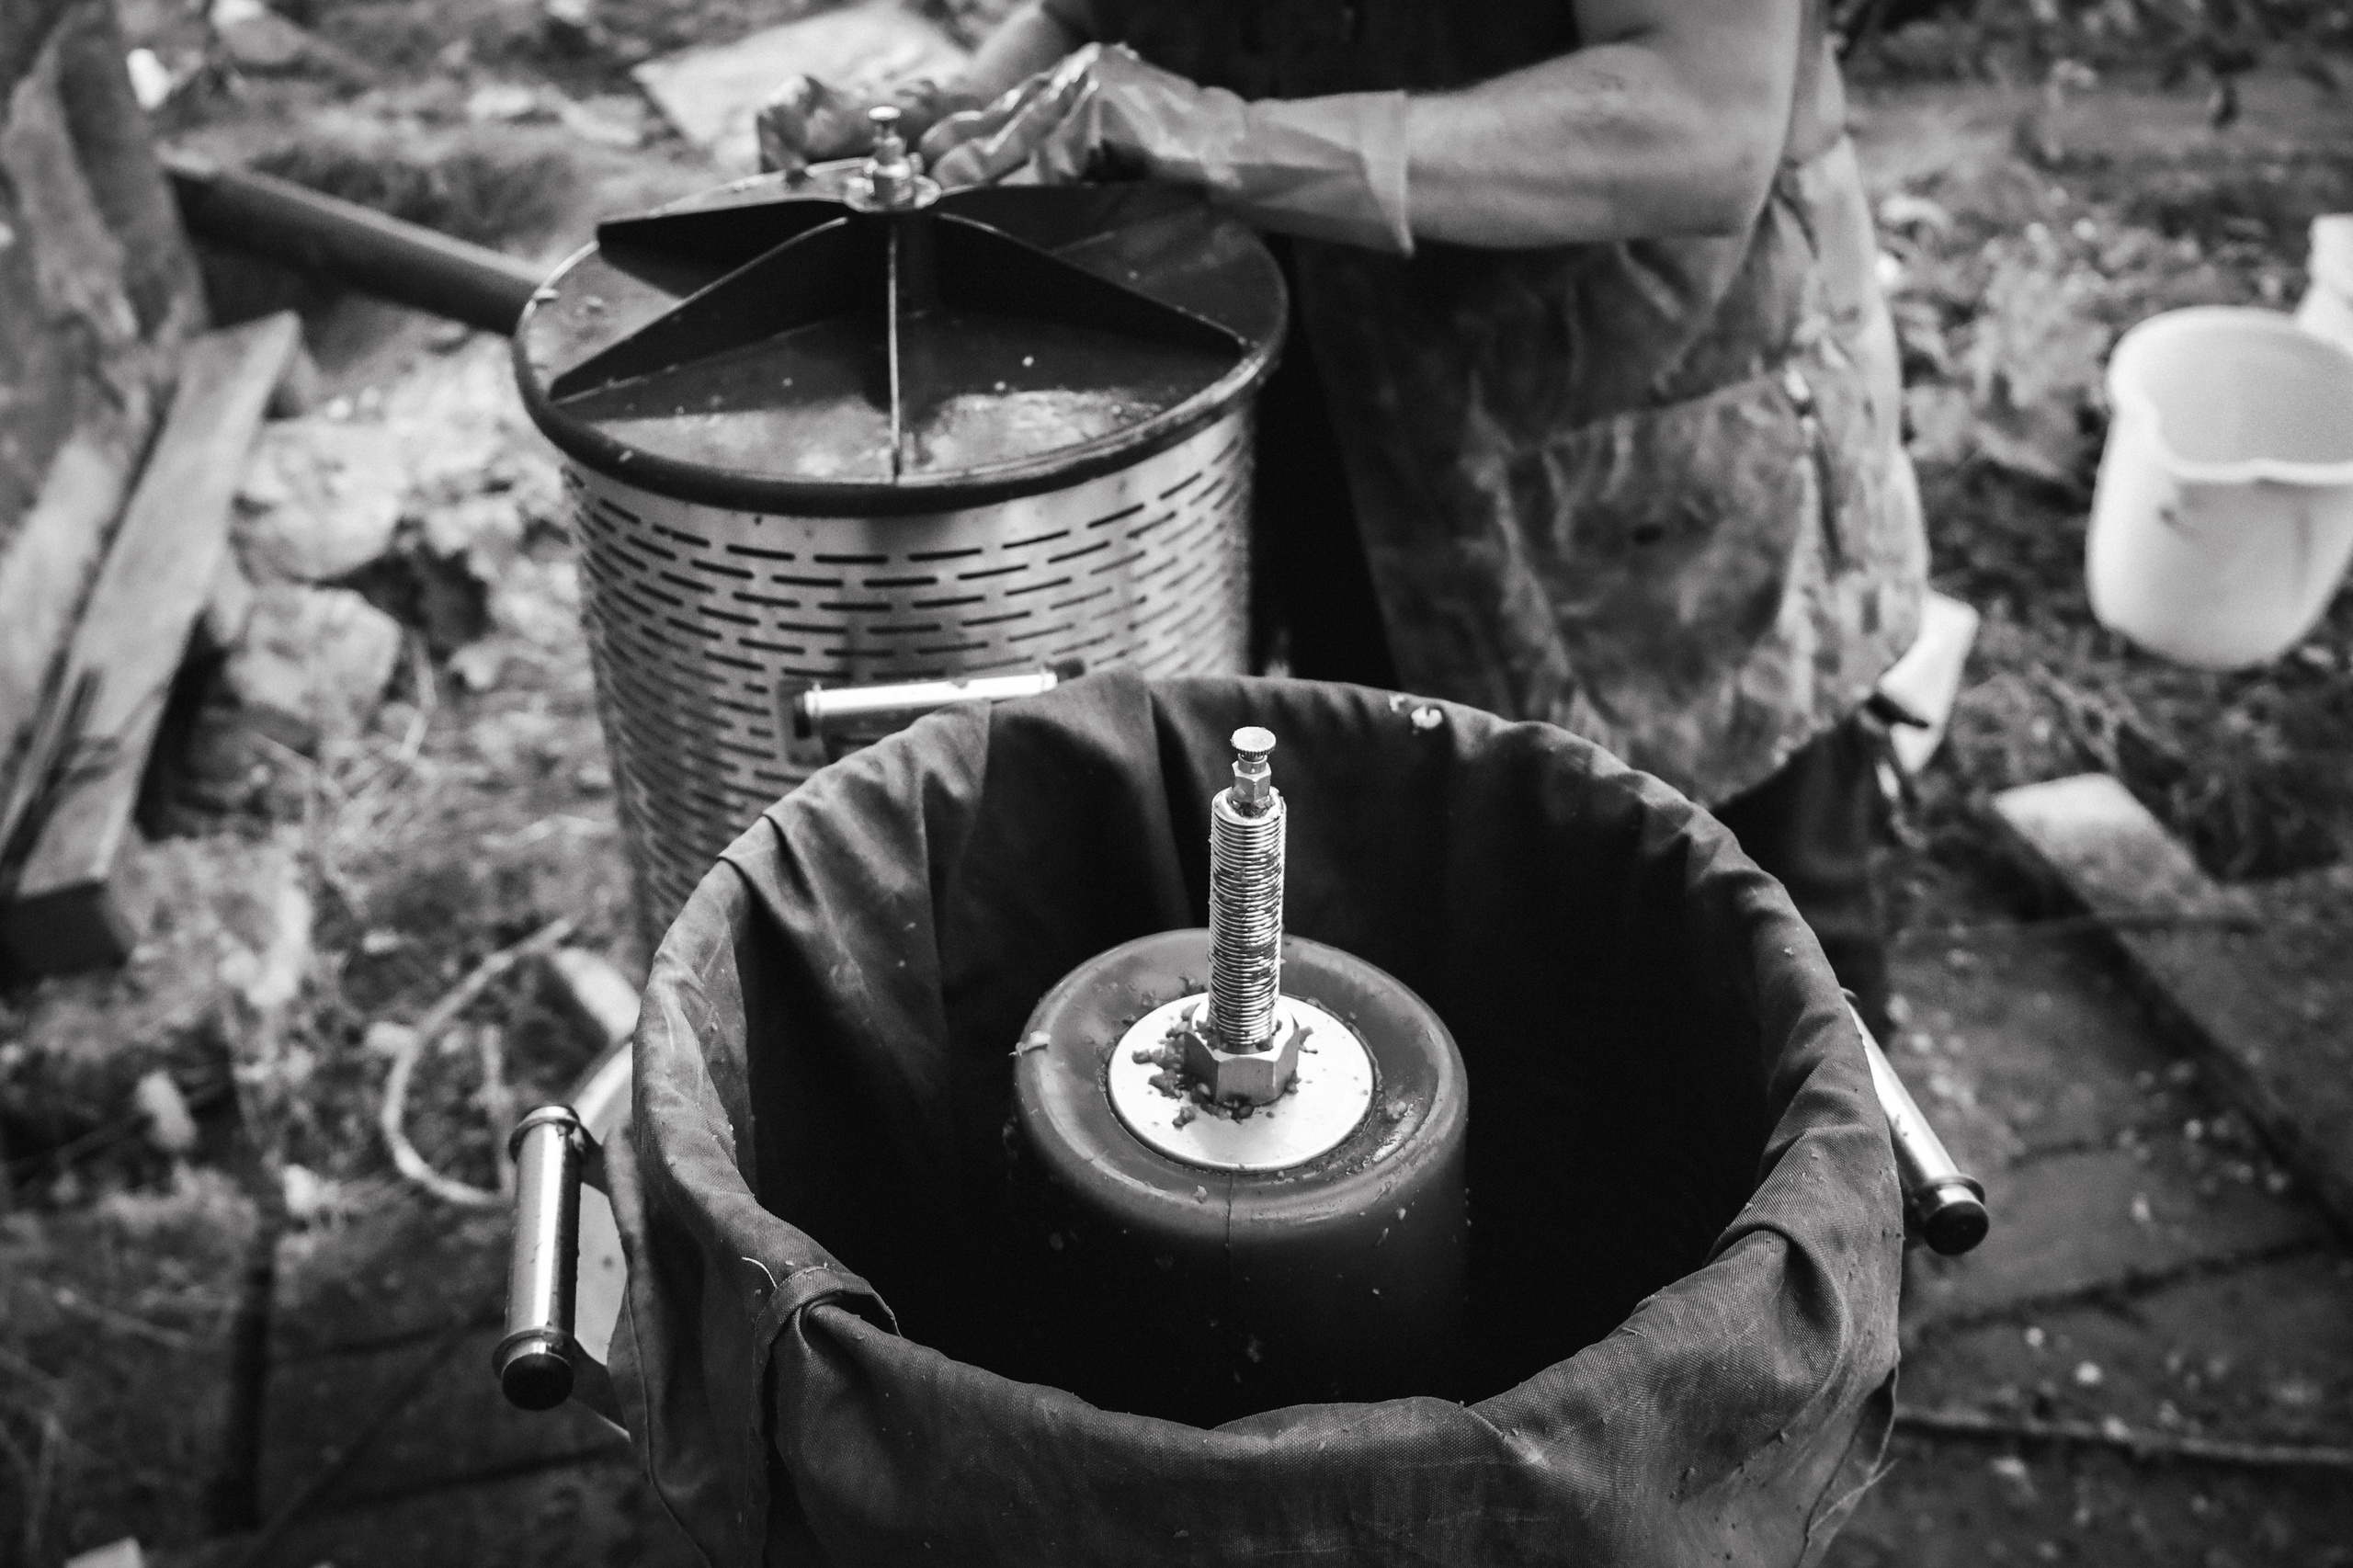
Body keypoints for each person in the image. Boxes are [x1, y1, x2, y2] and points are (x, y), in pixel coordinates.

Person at [758, 0, 1927, 1038]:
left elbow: (1697, 119)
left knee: (1749, 966)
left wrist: (1210, 134)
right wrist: (967, 117)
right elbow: (1104, 31)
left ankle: (1837, 1267)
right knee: (1434, 899)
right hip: (1348, 435)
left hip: (1648, 472)